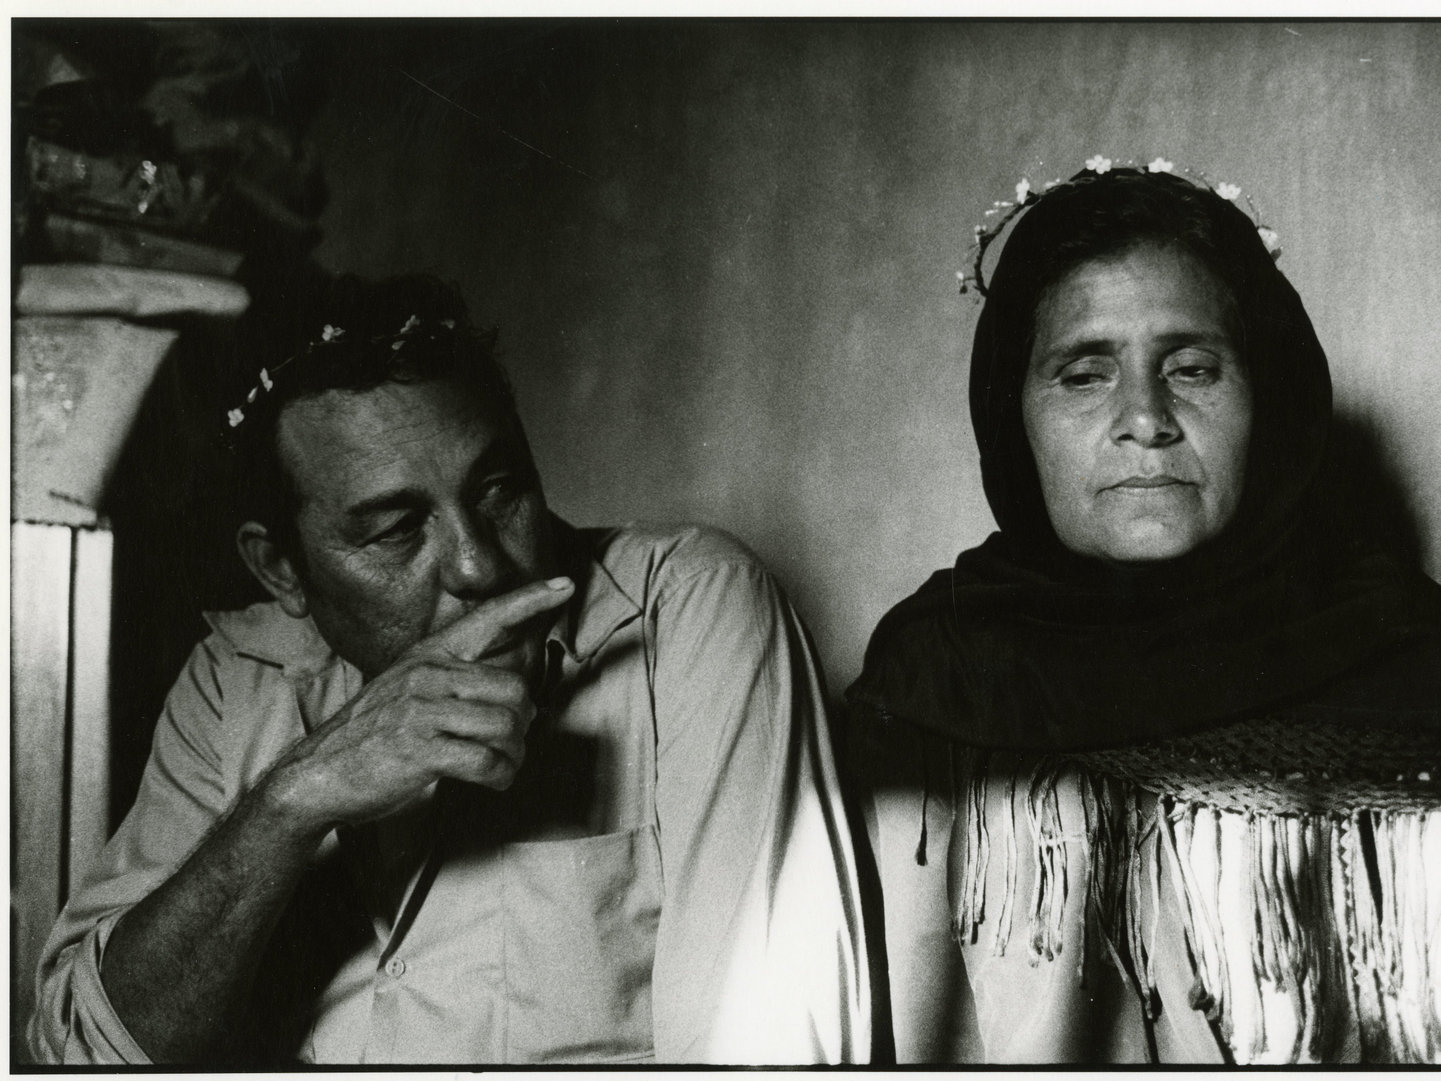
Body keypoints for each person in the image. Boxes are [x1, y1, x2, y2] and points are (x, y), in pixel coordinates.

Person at [845, 162, 1441, 1064]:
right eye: (1084, 374)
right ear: (1014, 415)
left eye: (1193, 367)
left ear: (1265, 396)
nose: (1146, 418)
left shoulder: (1411, 656)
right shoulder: (939, 671)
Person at [29, 274, 872, 1066]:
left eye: (500, 488)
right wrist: (294, 797)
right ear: (280, 569)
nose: (477, 565)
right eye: (397, 530)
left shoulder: (688, 608)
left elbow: (768, 1052)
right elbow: (80, 1054)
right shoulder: (236, 675)